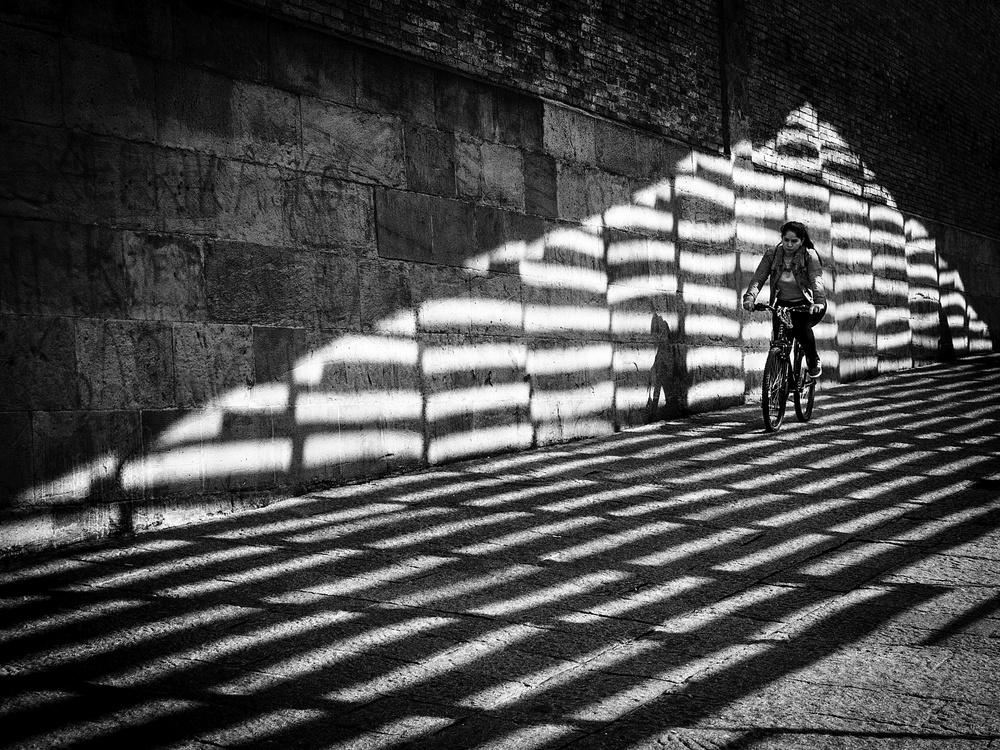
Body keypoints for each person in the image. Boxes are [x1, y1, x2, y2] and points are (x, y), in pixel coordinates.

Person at [742, 221, 827, 377]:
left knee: (800, 327)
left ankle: (812, 358)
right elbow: (758, 278)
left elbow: (816, 278)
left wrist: (819, 301)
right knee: (779, 342)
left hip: (808, 305)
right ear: (781, 238)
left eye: (794, 241)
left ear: (801, 241)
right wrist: (750, 298)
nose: (789, 244)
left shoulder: (809, 255)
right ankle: (779, 382)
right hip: (782, 306)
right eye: (785, 240)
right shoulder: (772, 255)